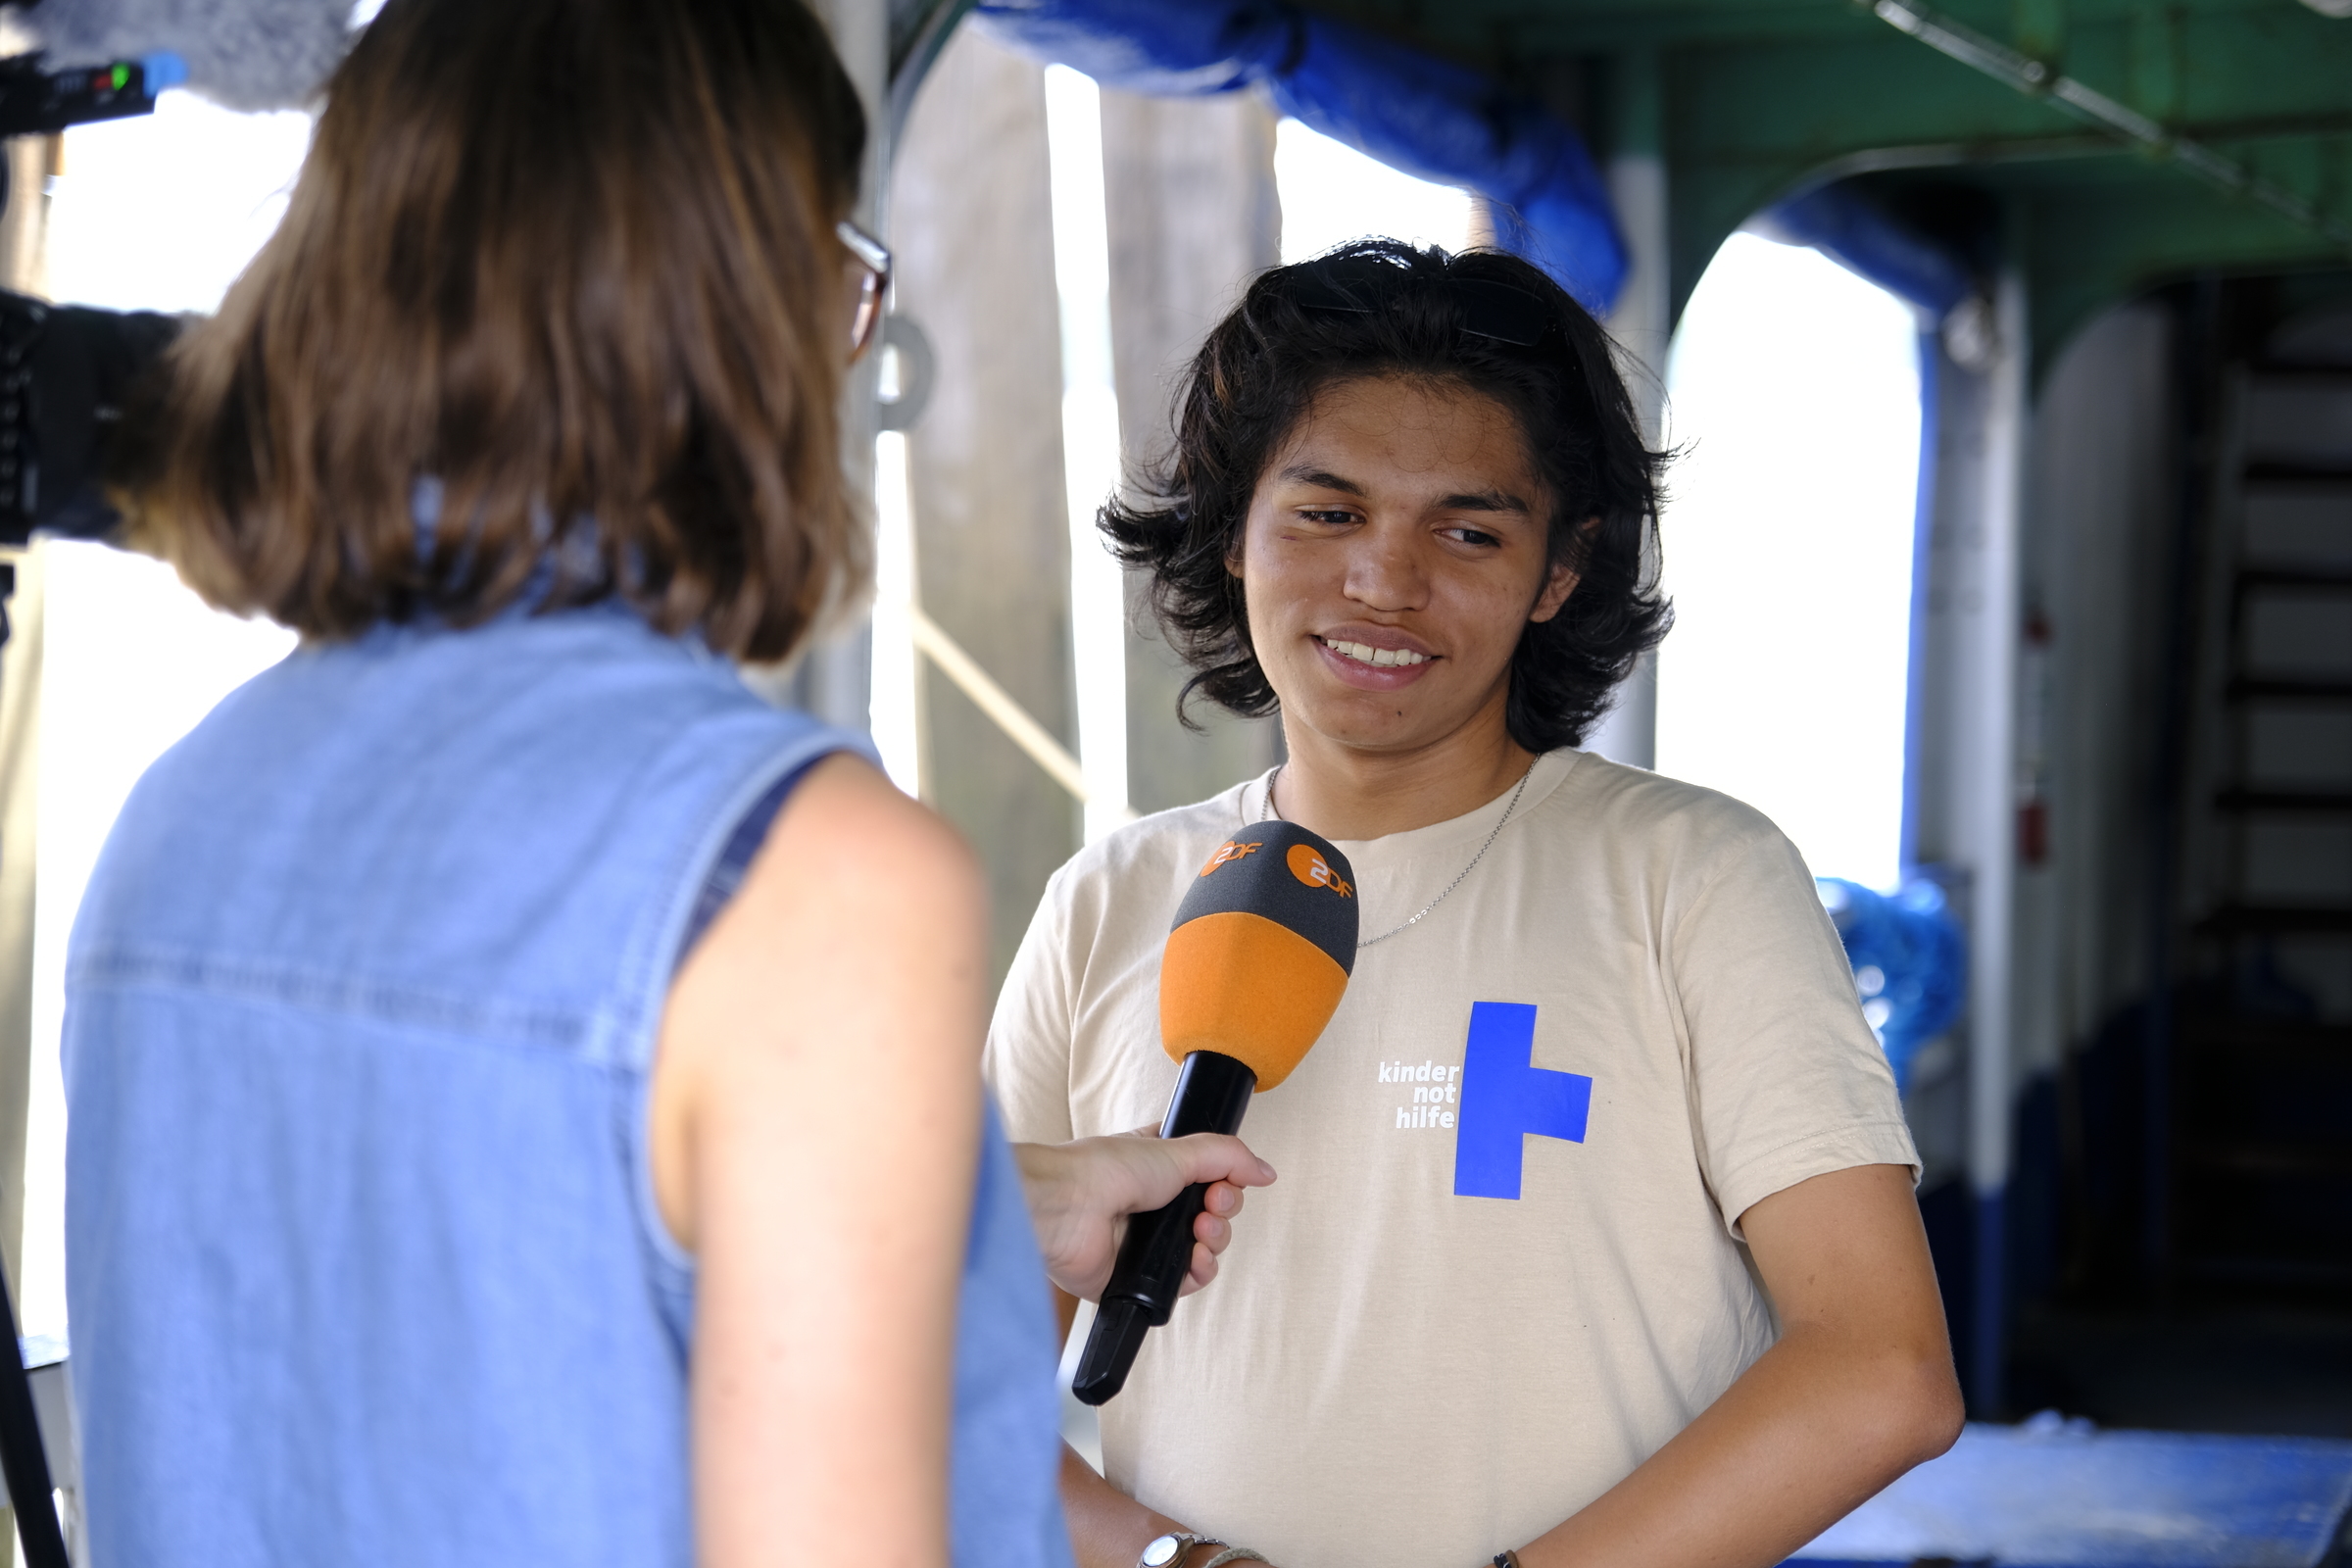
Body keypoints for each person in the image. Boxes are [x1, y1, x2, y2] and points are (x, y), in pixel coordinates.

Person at [61, 3, 1269, 1565]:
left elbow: (443, 1293)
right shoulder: (812, 872)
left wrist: (974, 1218)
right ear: (751, 300)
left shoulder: (178, 821)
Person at [984, 240, 1966, 1568]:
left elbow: (1882, 1366)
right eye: (1326, 514)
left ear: (1557, 572)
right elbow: (955, 1400)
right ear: (1231, 537)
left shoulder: (1693, 877)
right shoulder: (1109, 901)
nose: (1385, 581)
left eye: (1466, 530)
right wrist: (1178, 1564)